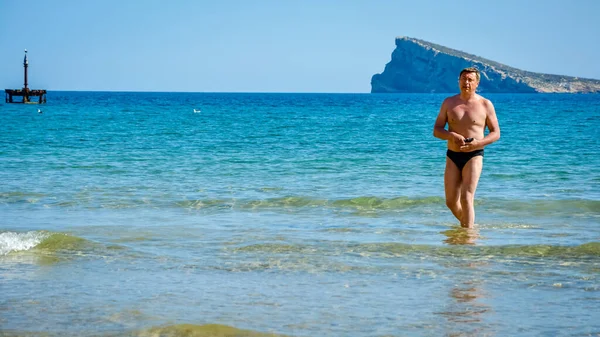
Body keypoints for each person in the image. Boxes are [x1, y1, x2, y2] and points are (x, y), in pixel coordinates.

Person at [433, 67, 500, 228]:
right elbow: (437, 130)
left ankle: (468, 238)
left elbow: (496, 133)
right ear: (459, 81)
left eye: (470, 80)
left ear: (477, 83)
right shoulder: (449, 102)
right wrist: (451, 135)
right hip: (452, 155)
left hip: (474, 154)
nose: (466, 83)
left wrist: (478, 143)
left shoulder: (485, 104)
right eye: (463, 79)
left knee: (466, 197)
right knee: (450, 201)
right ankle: (469, 226)